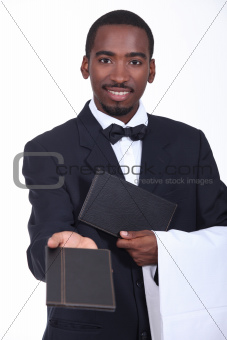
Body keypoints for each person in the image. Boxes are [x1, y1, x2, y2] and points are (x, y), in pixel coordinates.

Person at [22, 10, 227, 340]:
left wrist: (167, 250)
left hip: (180, 329)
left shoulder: (191, 143)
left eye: (134, 61)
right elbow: (41, 247)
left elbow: (222, 233)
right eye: (105, 59)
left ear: (152, 69)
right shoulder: (47, 148)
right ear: (86, 65)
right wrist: (60, 254)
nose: (119, 75)